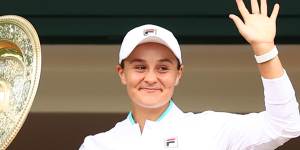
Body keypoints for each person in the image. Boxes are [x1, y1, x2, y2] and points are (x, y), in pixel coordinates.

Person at [80, 0, 300, 149]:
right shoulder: (98, 145)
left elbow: (285, 125)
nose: (150, 78)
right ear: (122, 73)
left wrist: (265, 50)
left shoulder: (211, 129)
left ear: (178, 74)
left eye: (163, 68)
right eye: (139, 67)